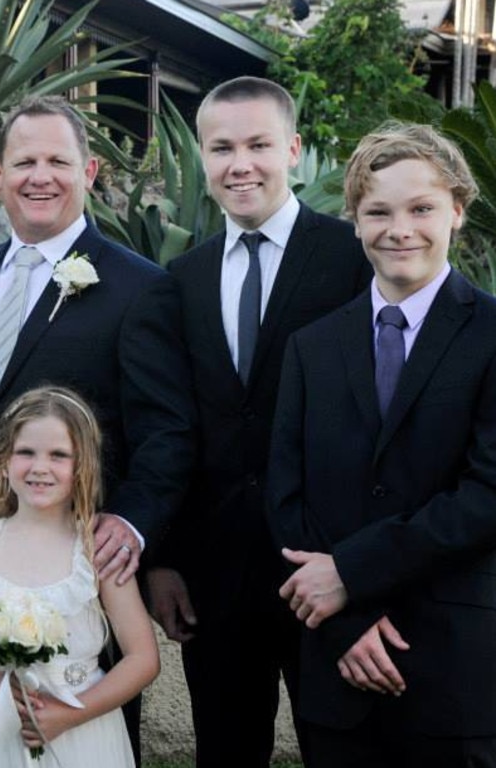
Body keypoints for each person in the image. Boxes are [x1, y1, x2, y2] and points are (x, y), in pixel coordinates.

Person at [0, 94, 193, 755]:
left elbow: (167, 431)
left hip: (84, 574)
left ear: (88, 173)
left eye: (58, 160)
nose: (40, 176)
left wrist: (134, 527)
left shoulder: (139, 287)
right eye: (24, 160)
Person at [144, 76, 372, 766]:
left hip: (324, 567)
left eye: (257, 145)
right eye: (221, 148)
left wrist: (362, 570)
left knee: (341, 749)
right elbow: (169, 424)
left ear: (294, 150)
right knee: (225, 750)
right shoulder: (180, 278)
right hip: (214, 576)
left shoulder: (354, 257)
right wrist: (163, 560)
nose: (239, 164)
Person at [266, 122, 496, 767]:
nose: (401, 229)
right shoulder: (312, 347)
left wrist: (352, 572)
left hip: (456, 665)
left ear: (457, 208)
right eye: (378, 212)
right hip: (337, 665)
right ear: (355, 222)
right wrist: (341, 619)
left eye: (421, 208)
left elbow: (487, 495)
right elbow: (286, 496)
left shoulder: (492, 334)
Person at [0, 385, 159, 767]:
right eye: (26, 452)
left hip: (83, 728)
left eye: (58, 456)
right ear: (4, 461)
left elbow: (143, 658)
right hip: (5, 725)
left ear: (81, 466)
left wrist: (69, 713)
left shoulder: (97, 550)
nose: (40, 467)